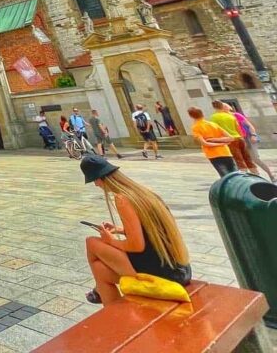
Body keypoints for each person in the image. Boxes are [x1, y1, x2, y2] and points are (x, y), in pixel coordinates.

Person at [79, 155, 191, 306]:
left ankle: (112, 289)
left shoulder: (122, 199)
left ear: (100, 178)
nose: (96, 185)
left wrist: (110, 240)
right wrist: (120, 230)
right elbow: (152, 230)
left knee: (91, 242)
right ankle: (113, 313)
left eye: (94, 180)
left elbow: (137, 245)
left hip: (160, 271)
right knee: (100, 270)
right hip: (177, 267)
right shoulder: (142, 193)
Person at [224, 103, 275, 182]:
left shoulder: (236, 115)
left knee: (255, 158)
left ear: (229, 108)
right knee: (243, 160)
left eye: (225, 106)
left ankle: (271, 175)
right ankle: (254, 178)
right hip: (238, 140)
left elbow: (250, 126)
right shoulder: (223, 118)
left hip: (248, 138)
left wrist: (253, 135)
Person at [209, 100, 257, 174]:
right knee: (247, 158)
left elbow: (215, 130)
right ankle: (256, 174)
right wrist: (242, 138)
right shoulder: (230, 116)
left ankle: (245, 176)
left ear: (214, 107)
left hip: (230, 141)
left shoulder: (213, 117)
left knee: (238, 159)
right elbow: (238, 128)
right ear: (222, 106)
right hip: (239, 138)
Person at [188, 107, 237, 177]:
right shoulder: (213, 124)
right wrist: (222, 143)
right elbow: (231, 138)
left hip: (213, 154)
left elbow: (205, 143)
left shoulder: (196, 127)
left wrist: (214, 140)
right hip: (225, 152)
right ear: (202, 114)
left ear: (191, 116)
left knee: (225, 176)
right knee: (235, 174)